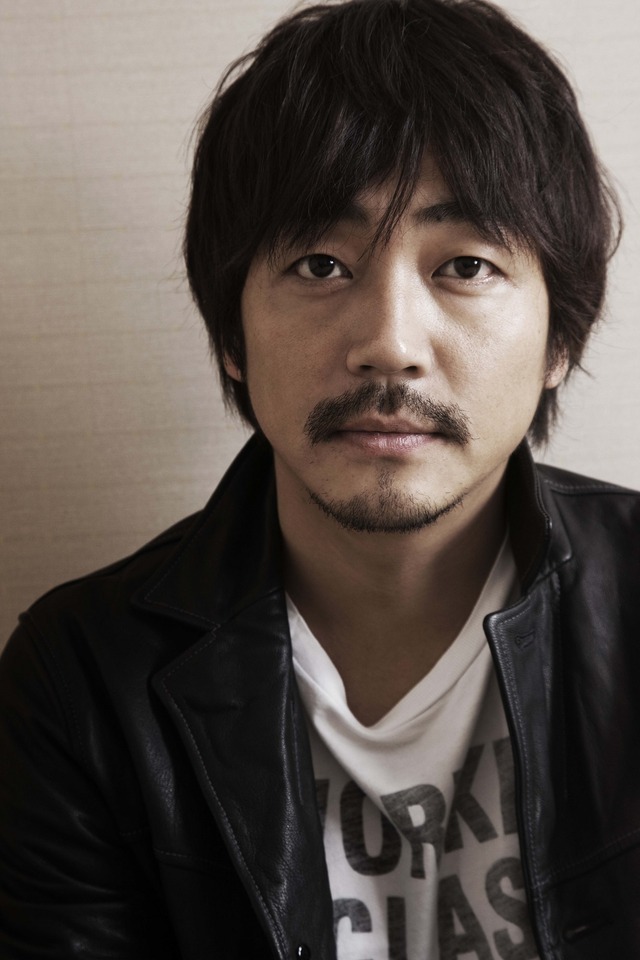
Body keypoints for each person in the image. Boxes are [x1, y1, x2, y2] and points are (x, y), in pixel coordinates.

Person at [0, 0, 636, 957]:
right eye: (320, 263)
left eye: (465, 264)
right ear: (232, 336)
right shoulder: (80, 683)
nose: (389, 342)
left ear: (560, 339)